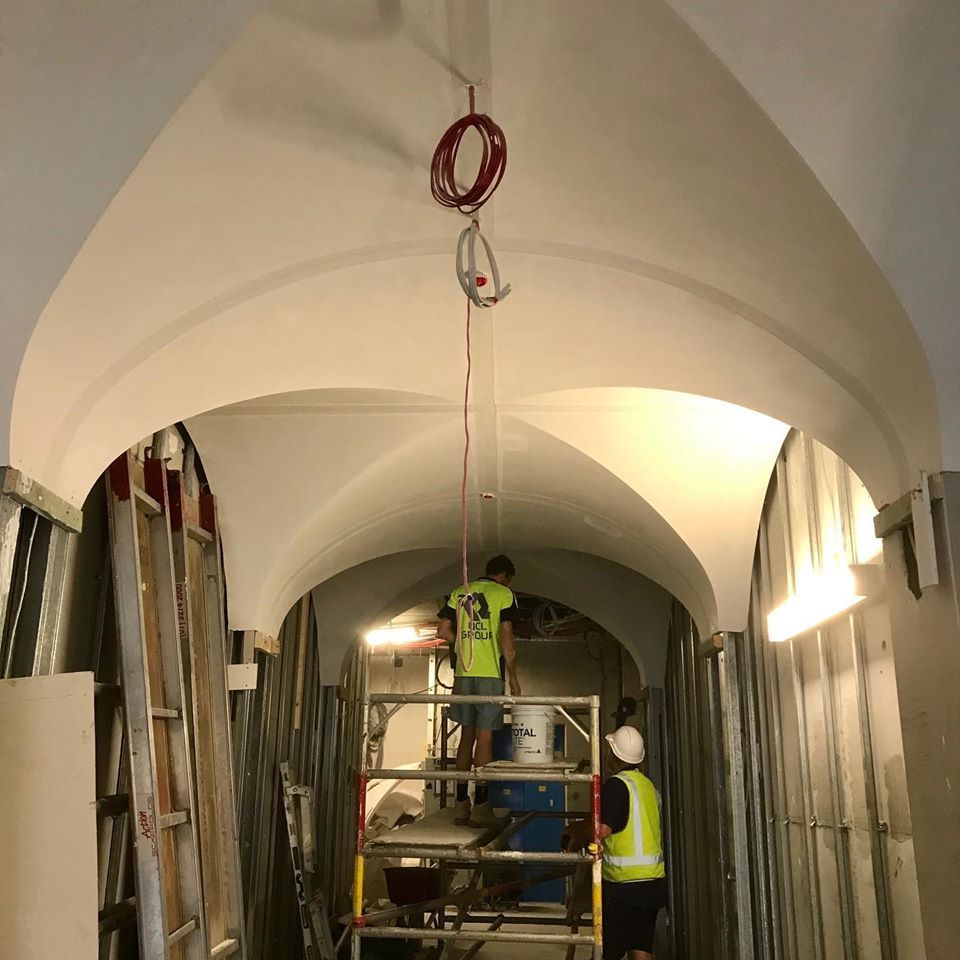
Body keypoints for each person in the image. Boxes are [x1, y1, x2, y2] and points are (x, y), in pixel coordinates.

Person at [563, 725, 667, 960]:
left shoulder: (616, 786)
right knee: (641, 948)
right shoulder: (647, 786)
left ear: (613, 754)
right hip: (652, 884)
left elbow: (602, 830)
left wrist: (576, 833)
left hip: (623, 886)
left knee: (606, 952)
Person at [437, 555, 521, 827]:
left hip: (464, 672)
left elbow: (443, 630)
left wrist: (461, 645)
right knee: (484, 739)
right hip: (489, 674)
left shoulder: (459, 591)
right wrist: (514, 677)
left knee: (466, 736)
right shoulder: (504, 594)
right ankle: (481, 807)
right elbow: (505, 635)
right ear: (505, 577)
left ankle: (461, 805)